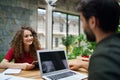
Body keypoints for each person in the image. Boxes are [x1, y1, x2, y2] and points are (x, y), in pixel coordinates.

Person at [69, 0, 120, 80]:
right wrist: (82, 65)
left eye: (82, 21)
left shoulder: (103, 56)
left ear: (93, 22)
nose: (82, 27)